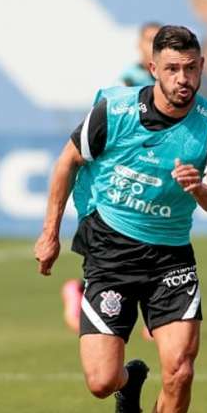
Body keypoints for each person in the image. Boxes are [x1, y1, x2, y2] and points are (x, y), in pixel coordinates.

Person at [35, 25, 207, 413]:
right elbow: (66, 162)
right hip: (110, 253)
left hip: (171, 256)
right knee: (101, 381)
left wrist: (201, 189)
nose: (182, 78)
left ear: (202, 67)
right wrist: (50, 235)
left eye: (190, 68)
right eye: (172, 69)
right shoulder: (116, 110)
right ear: (153, 69)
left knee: (182, 369)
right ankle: (132, 379)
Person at [61, 22, 161, 337]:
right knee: (110, 255)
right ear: (139, 46)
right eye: (148, 40)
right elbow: (101, 129)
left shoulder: (169, 83)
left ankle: (152, 308)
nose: (152, 46)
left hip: (148, 179)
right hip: (111, 183)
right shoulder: (128, 82)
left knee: (149, 241)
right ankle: (79, 290)